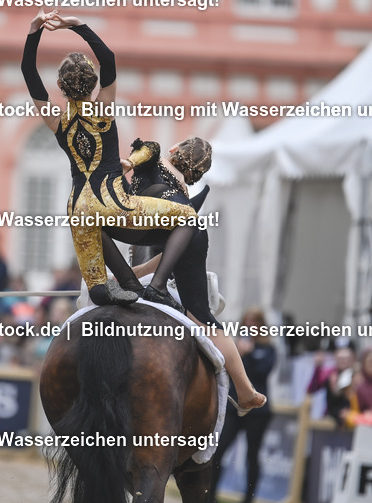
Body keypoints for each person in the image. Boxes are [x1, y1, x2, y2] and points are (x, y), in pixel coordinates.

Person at [21, 9, 196, 309]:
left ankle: (117, 284)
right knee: (188, 218)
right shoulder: (103, 108)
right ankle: (157, 287)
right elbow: (109, 59)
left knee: (98, 284)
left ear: (60, 87)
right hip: (114, 202)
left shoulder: (56, 120)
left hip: (79, 208)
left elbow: (28, 71)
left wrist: (34, 31)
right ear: (94, 84)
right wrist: (77, 25)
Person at [105, 137, 266, 413]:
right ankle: (245, 391)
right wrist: (142, 273)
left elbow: (143, 161)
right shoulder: (180, 192)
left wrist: (124, 167)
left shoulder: (153, 160)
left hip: (143, 227)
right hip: (187, 233)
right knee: (202, 318)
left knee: (88, 220)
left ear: (174, 149)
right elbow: (173, 249)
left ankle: (128, 281)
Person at [205, 310, 276, 503]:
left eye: (255, 322)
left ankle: (247, 502)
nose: (250, 325)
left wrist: (249, 354)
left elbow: (262, 372)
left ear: (262, 325)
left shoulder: (268, 349)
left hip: (258, 411)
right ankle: (210, 495)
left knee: (252, 456)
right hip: (234, 406)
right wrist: (240, 353)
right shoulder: (234, 347)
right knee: (219, 449)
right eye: (247, 321)